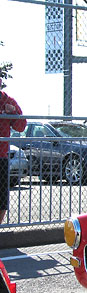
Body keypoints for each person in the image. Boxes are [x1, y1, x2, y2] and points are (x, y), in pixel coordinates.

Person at [0, 78, 26, 224]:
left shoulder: (8, 101)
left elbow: (21, 126)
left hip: (1, 156)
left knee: (2, 198)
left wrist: (13, 113)